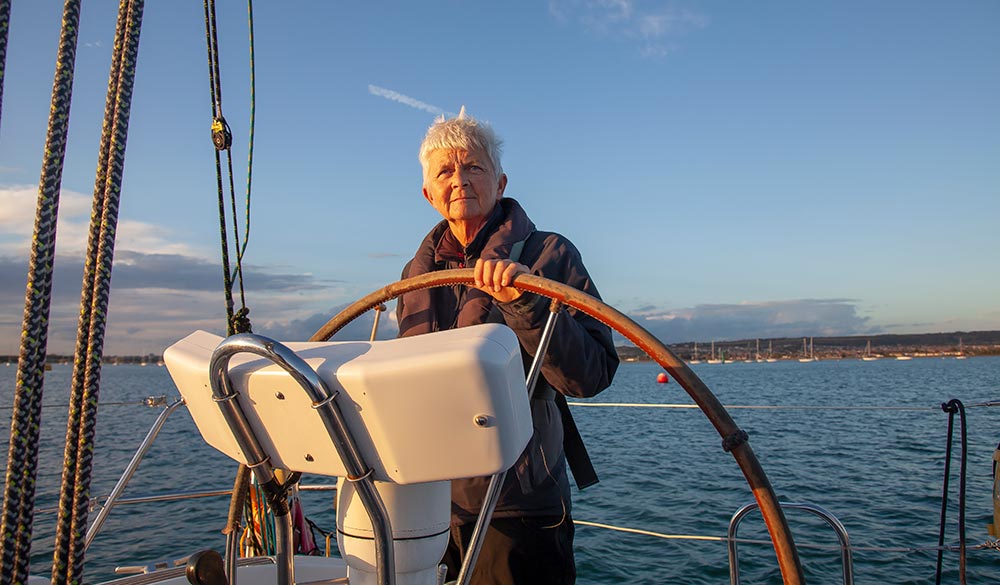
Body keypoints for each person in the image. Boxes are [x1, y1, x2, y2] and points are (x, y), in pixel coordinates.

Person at [396, 109, 619, 584]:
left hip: (519, 504)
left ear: (499, 183)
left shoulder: (549, 254)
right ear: (428, 194)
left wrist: (526, 303)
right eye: (445, 171)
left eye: (474, 166)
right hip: (429, 504)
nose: (460, 180)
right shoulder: (413, 277)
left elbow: (592, 374)